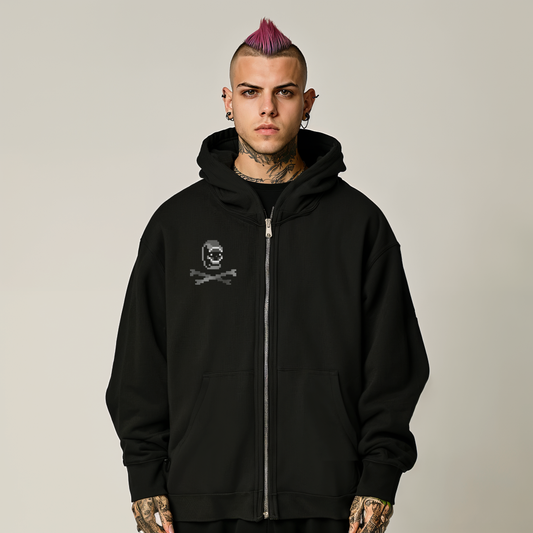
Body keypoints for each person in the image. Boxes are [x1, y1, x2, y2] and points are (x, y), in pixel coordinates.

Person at [106, 18, 429, 533]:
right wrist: (145, 477)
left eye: (285, 91)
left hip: (329, 502)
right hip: (201, 502)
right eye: (251, 91)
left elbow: (393, 362)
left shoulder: (358, 224)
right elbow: (139, 364)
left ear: (308, 102)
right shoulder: (176, 224)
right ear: (228, 101)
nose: (268, 108)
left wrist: (380, 476)